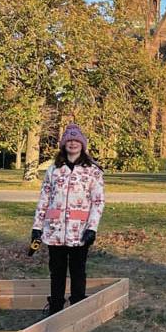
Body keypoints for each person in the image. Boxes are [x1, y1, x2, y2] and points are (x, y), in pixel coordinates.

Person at [31, 123, 105, 315]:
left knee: (78, 270)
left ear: (82, 144)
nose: (73, 144)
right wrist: (37, 227)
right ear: (64, 144)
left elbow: (98, 202)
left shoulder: (93, 171)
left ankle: (78, 308)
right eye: (69, 140)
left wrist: (92, 228)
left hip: (79, 232)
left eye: (76, 140)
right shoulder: (54, 170)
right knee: (57, 271)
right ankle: (55, 307)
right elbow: (44, 199)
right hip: (54, 231)